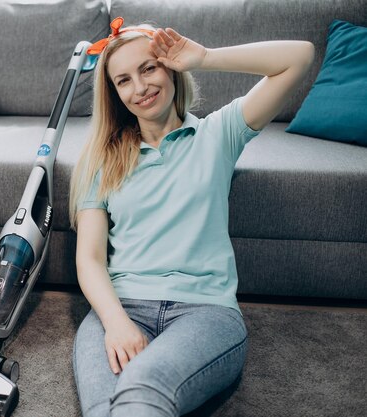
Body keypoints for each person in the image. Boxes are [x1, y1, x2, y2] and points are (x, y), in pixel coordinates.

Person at [69, 17, 314, 417]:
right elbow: (90, 259)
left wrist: (204, 57)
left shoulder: (219, 134)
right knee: (104, 409)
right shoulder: (102, 160)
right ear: (114, 94)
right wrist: (115, 322)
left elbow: (299, 56)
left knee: (142, 391)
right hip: (120, 305)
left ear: (170, 67)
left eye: (148, 68)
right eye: (124, 80)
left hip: (204, 311)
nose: (141, 87)